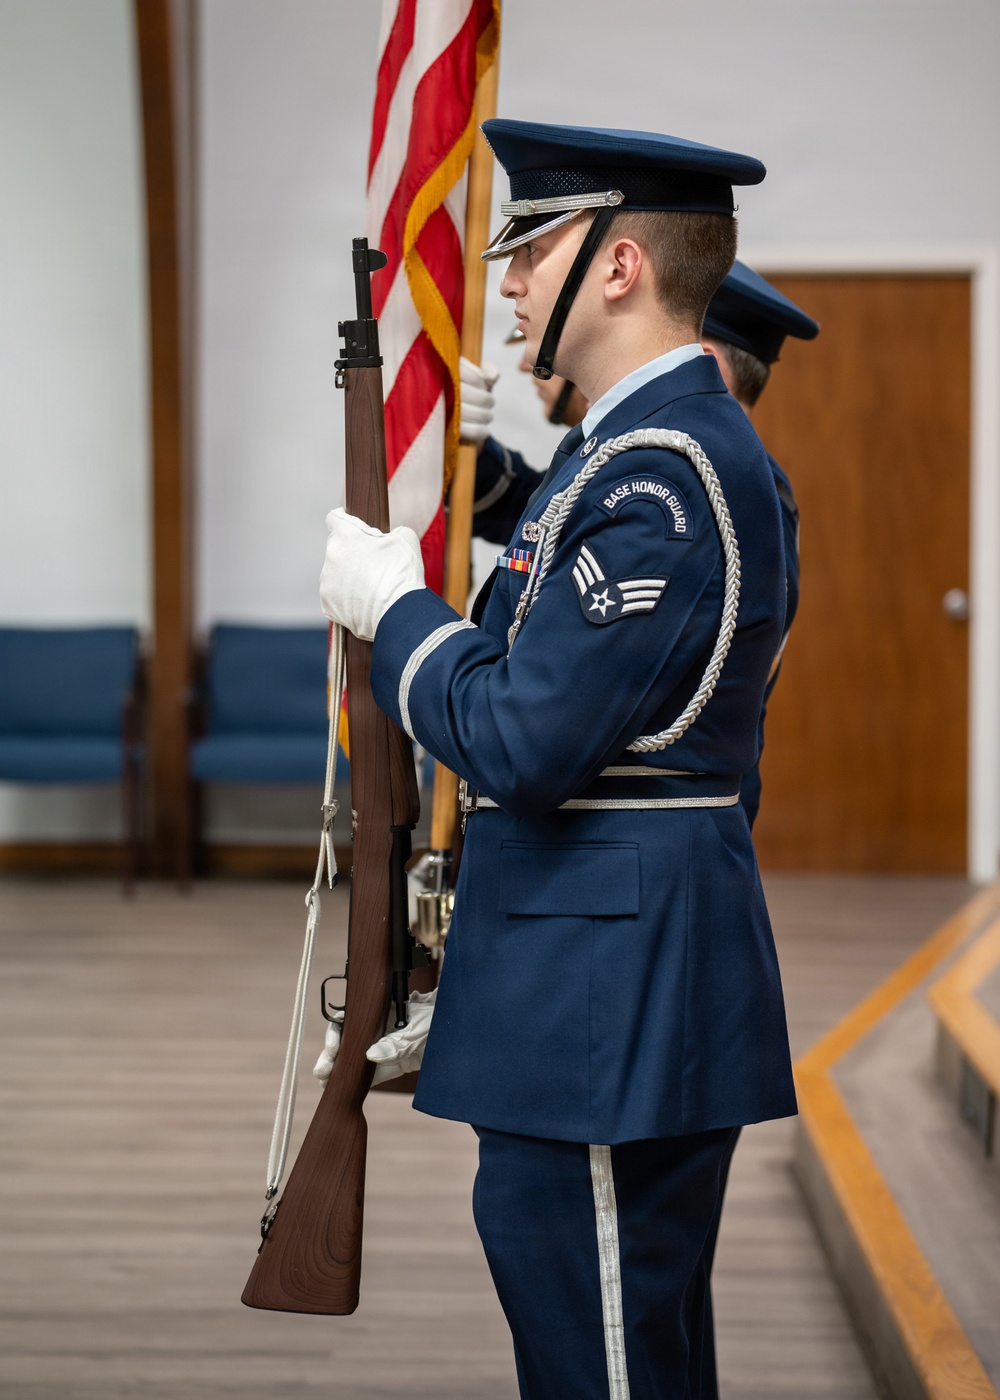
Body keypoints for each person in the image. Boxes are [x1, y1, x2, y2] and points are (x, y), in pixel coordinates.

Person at [318, 118, 796, 1399]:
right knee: (597, 1335)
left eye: (531, 243)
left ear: (622, 264)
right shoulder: (621, 458)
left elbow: (524, 737)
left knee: (607, 1362)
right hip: (578, 974)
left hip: (608, 990)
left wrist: (396, 609)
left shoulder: (670, 474)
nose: (511, 276)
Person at [463, 261, 820, 826]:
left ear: (702, 364)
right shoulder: (701, 476)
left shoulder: (705, 486)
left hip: (637, 844)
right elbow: (557, 525)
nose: (531, 361)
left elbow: (545, 733)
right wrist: (466, 447)